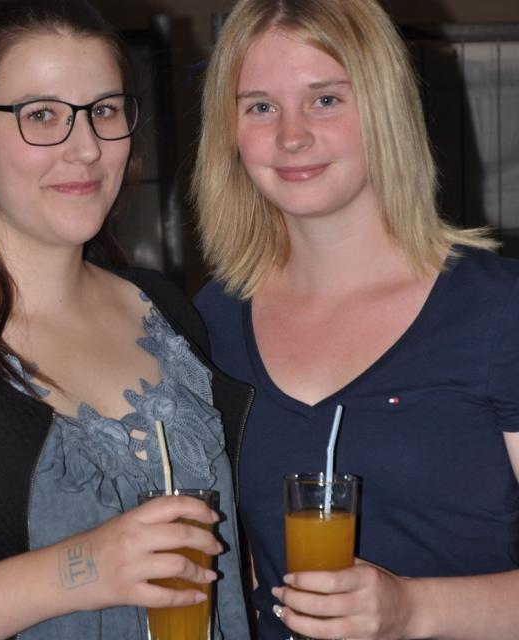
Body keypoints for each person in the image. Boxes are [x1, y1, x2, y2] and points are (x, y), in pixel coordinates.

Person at [0, 0, 252, 638]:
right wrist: (83, 569)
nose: (86, 149)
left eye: (104, 111)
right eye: (41, 115)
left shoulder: (166, 309)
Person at [192, 0, 519, 638]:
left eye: (325, 100)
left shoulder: (500, 310)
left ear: (384, 108)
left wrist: (412, 611)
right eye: (260, 107)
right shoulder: (210, 322)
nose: (292, 136)